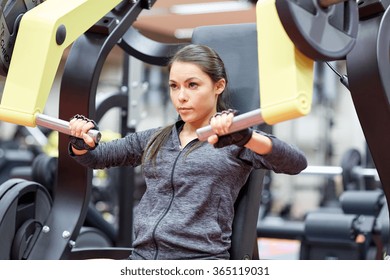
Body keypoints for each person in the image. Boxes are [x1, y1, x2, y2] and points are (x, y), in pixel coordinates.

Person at [68, 44, 307, 260]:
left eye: (192, 85)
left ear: (218, 86)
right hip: (142, 258)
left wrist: (247, 137)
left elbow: (296, 162)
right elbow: (97, 157)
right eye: (174, 86)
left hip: (199, 262)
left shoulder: (235, 140)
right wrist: (82, 143)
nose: (181, 97)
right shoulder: (156, 138)